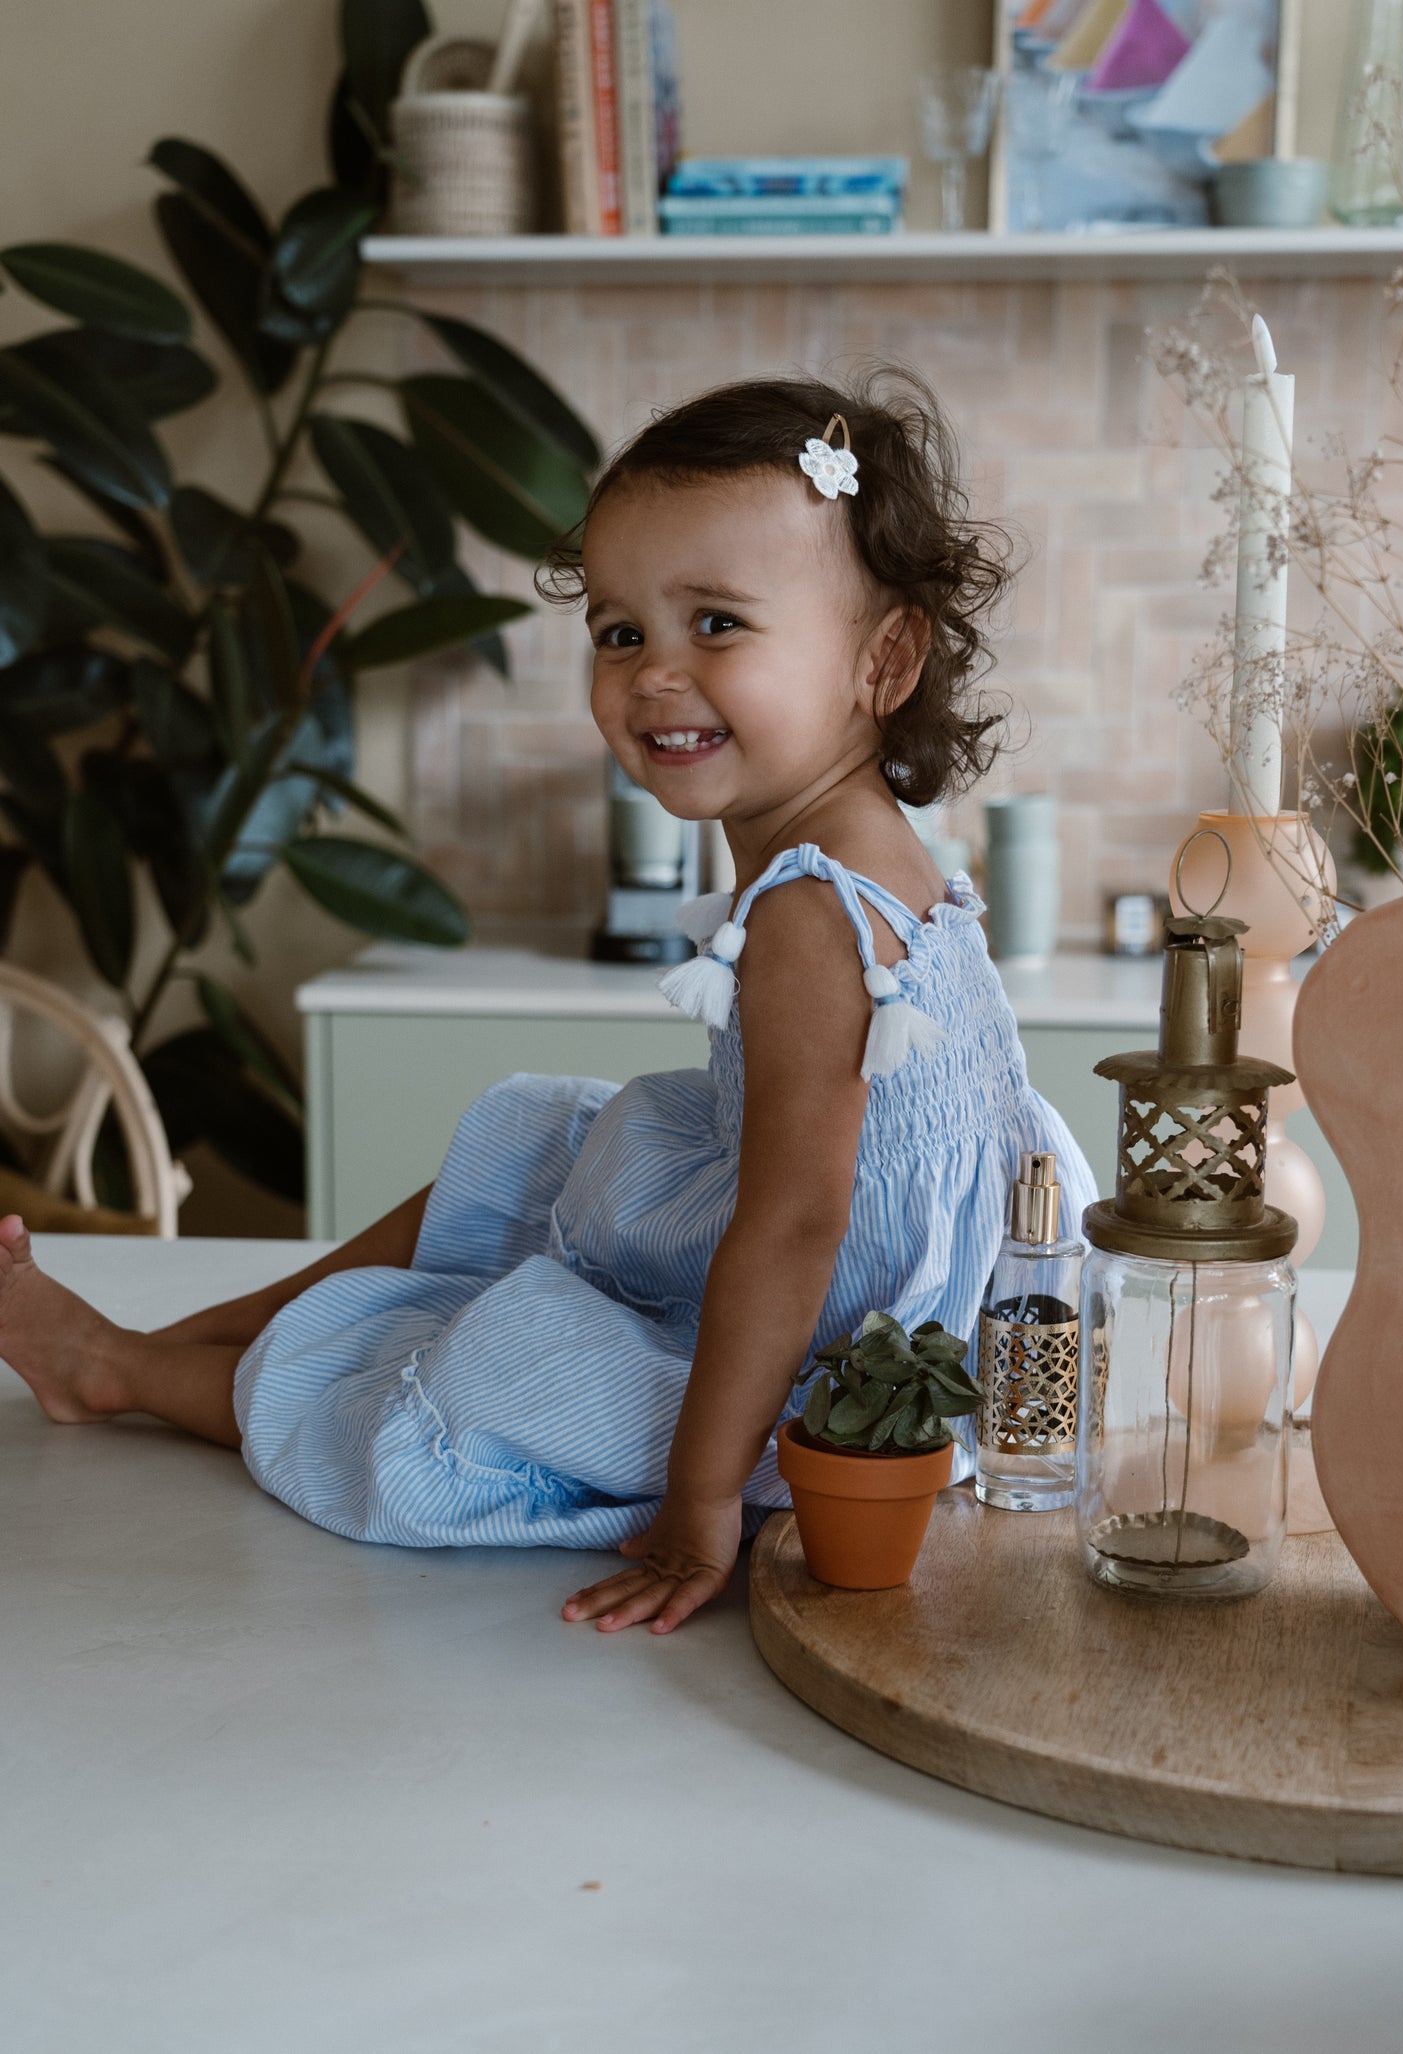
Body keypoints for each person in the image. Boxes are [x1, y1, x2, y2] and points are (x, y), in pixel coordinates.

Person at [0, 372, 1093, 1635]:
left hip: (840, 1336)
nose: (654, 676)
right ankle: (180, 1342)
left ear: (881, 659)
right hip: (855, 1248)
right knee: (537, 1142)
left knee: (471, 1380)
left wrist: (698, 1502)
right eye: (621, 632)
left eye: (719, 624)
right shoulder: (863, 850)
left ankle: (132, 1370)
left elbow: (795, 1229)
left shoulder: (810, 914)